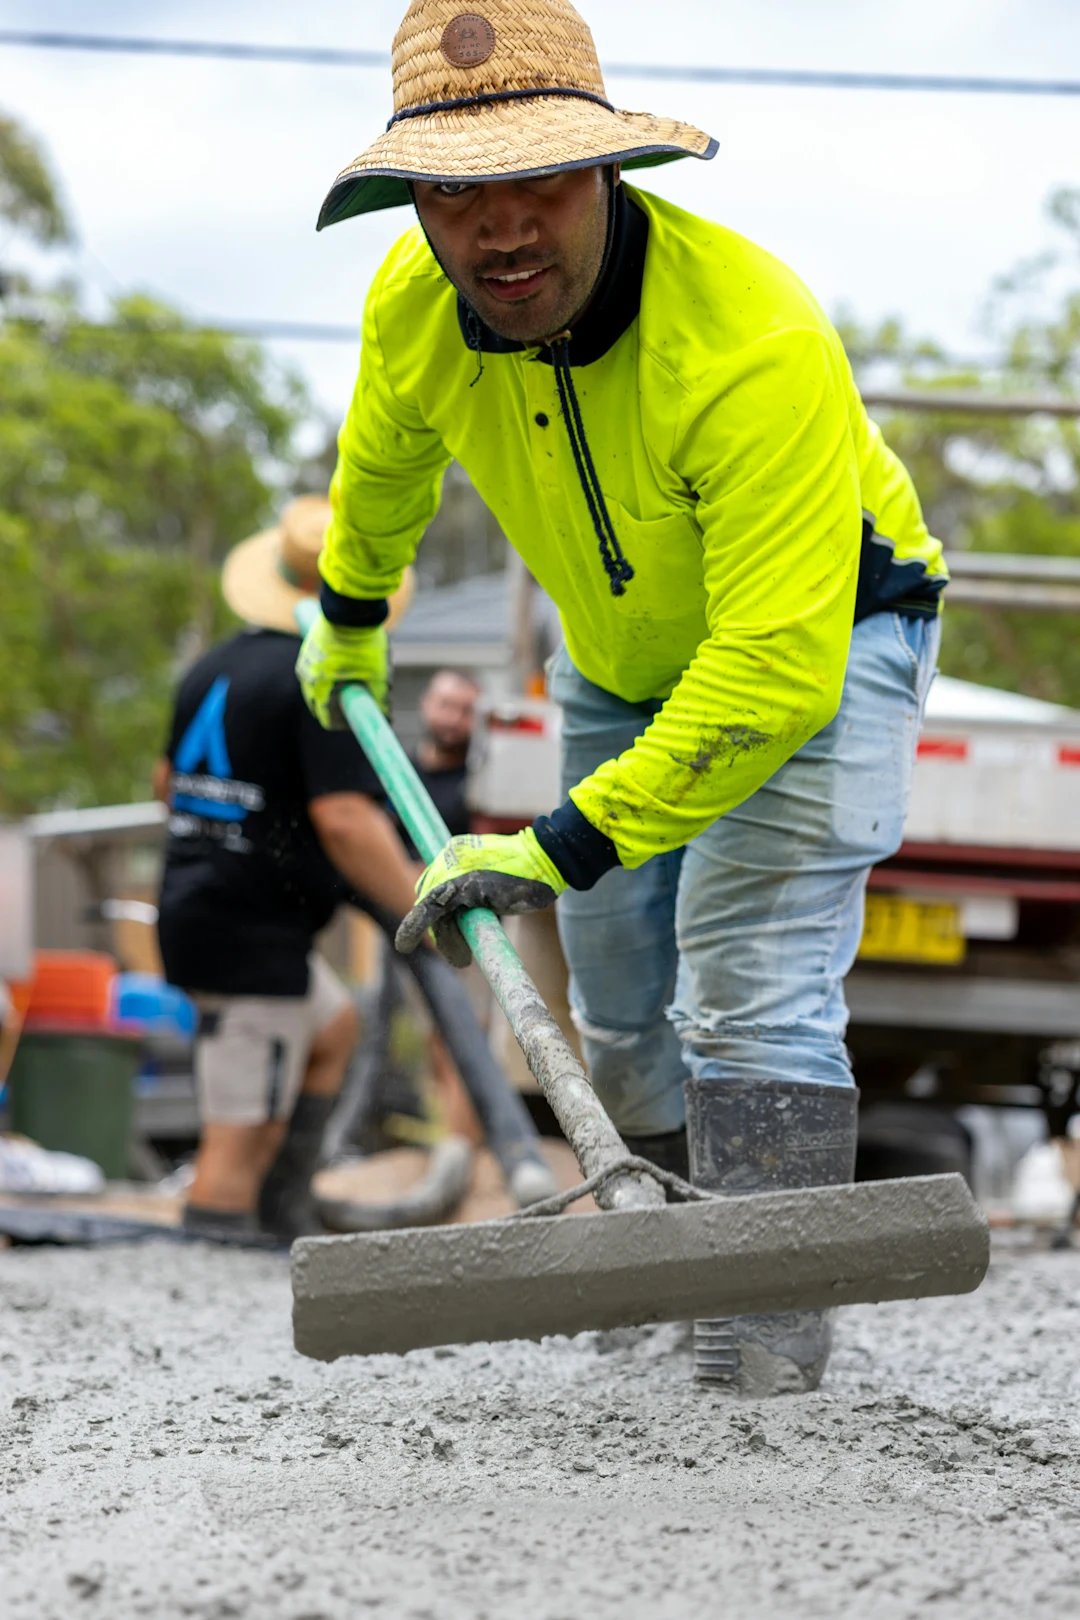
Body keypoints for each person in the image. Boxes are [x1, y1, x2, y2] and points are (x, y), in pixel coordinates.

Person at [296, 0, 946, 1393]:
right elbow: (387, 461)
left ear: (606, 170)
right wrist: (350, 613)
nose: (504, 228)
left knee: (747, 978)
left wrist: (549, 850)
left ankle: (762, 1321)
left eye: (539, 179)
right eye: (462, 196)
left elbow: (774, 668)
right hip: (618, 657)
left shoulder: (752, 337)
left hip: (827, 641)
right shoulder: (417, 304)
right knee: (624, 994)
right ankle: (656, 1258)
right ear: (415, 202)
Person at [155, 496, 419, 1241]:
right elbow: (345, 818)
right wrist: (418, 911)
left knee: (333, 1026)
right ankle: (223, 1233)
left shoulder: (211, 666)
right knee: (233, 1146)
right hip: (250, 933)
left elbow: (162, 781)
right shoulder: (319, 680)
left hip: (204, 901)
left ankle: (283, 1209)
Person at [411, 668, 480, 839]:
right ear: (425, 703)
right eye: (445, 705)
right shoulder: (395, 771)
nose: (454, 719)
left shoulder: (480, 785)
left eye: (466, 711)